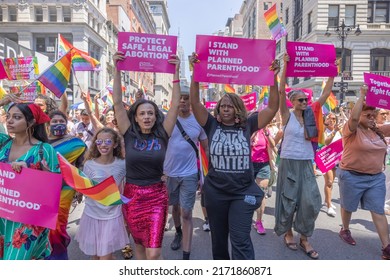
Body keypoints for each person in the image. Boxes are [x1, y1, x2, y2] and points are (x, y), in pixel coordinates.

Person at [189, 53, 280, 260]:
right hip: (216, 193)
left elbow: (273, 107)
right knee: (219, 241)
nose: (226, 109)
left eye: (230, 106)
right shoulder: (212, 125)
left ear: (238, 109)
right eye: (223, 106)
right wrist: (196, 72)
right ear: (218, 109)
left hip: (242, 193)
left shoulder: (249, 125)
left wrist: (273, 77)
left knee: (240, 238)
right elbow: (195, 103)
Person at [112, 51, 181, 260]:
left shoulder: (163, 133)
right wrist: (117, 69)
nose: (147, 116)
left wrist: (176, 72)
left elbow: (176, 105)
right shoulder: (129, 133)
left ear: (156, 115)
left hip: (157, 197)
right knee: (140, 249)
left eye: (150, 113)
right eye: (142, 113)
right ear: (135, 117)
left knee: (154, 252)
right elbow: (117, 103)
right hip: (132, 196)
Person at [275, 53, 335, 259]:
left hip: (307, 163)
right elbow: (281, 91)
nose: (304, 101)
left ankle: (304, 237)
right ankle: (289, 233)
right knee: (288, 200)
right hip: (289, 162)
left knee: (310, 201)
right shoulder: (286, 115)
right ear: (293, 102)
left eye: (306, 99)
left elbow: (326, 93)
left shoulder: (312, 112)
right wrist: (285, 66)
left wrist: (332, 72)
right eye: (300, 99)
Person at [0, 96, 60, 260]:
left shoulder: (44, 149)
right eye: (9, 116)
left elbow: (55, 187)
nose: (10, 121)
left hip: (27, 222)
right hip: (3, 217)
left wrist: (31, 174)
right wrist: (2, 102)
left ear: (32, 122)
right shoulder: (3, 143)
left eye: (17, 117)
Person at [337, 85, 390, 260]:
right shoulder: (351, 130)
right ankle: (345, 229)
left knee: (378, 211)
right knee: (348, 206)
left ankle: (386, 247)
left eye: (374, 115)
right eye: (368, 115)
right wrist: (362, 96)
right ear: (359, 115)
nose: (372, 118)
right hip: (352, 176)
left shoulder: (379, 131)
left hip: (375, 178)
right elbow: (352, 118)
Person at [163, 91, 208, 260]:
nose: (182, 100)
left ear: (191, 101)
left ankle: (186, 256)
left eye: (186, 97)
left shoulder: (198, 121)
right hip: (169, 174)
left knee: (186, 212)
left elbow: (206, 148)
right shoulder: (167, 119)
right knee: (174, 207)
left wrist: (207, 173)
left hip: (189, 173)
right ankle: (178, 232)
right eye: (179, 97)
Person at [75, 127, 128, 260]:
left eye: (108, 142)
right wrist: (79, 192)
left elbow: (131, 185)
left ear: (115, 144)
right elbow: (83, 187)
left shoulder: (122, 164)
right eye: (99, 142)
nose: (103, 145)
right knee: (96, 257)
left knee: (105, 257)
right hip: (92, 215)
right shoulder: (89, 165)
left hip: (111, 216)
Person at [46, 110, 87, 260]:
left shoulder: (75, 143)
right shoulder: (40, 142)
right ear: (48, 124)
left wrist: (80, 188)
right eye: (54, 122)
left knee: (57, 227)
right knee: (41, 228)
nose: (58, 124)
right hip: (41, 190)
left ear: (67, 122)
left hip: (64, 189)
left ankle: (59, 258)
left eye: (61, 121)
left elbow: (82, 166)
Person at [250, 127, 275, 235]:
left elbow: (273, 145)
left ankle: (259, 221)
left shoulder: (266, 130)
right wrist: (254, 131)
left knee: (261, 193)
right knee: (246, 192)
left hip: (263, 165)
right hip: (248, 165)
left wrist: (267, 134)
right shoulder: (249, 129)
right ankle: (244, 216)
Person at [320, 112, 342, 217]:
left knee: (331, 182)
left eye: (334, 119)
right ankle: (328, 206)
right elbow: (326, 142)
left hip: (335, 160)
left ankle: (326, 200)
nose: (332, 120)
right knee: (328, 181)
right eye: (330, 118)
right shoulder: (324, 130)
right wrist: (334, 131)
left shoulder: (339, 131)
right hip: (325, 160)